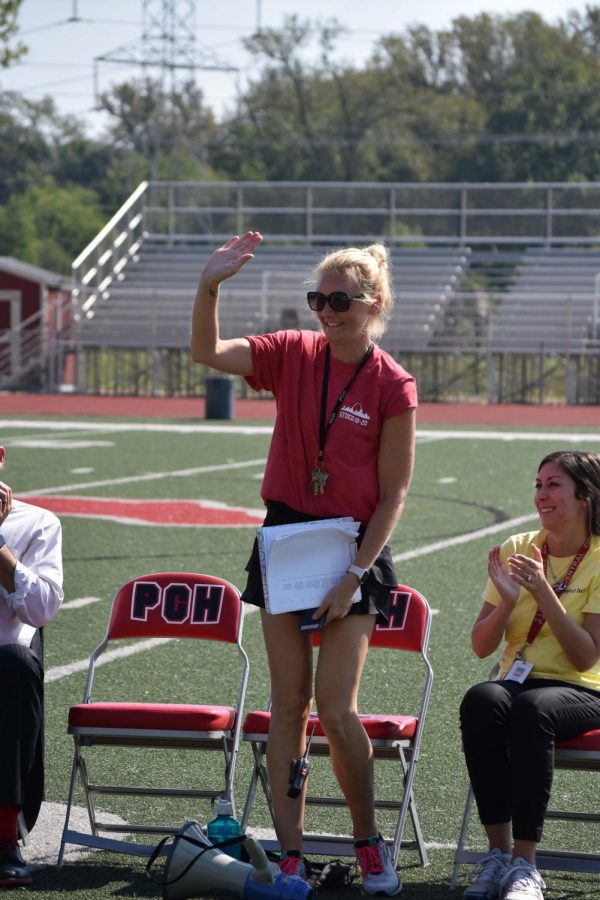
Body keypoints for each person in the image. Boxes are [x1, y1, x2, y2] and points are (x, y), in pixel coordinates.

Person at [191, 232, 417, 895]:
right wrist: (210, 286)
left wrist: (354, 576)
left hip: (354, 549)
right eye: (317, 299)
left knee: (336, 708)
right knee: (287, 706)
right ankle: (290, 854)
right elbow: (207, 351)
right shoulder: (293, 353)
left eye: (339, 300)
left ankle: (368, 844)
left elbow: (395, 493)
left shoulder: (392, 383)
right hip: (287, 537)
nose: (325, 311)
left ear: (371, 303)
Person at [460, 450, 600, 900]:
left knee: (531, 709)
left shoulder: (599, 557)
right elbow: (481, 645)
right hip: (517, 681)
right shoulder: (517, 548)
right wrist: (505, 602)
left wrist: (543, 592)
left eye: (554, 485)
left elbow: (586, 658)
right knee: (481, 700)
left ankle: (525, 864)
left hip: (581, 689)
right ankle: (497, 856)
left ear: (586, 496)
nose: (542, 494)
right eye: (538, 485)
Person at [0, 445, 63, 887]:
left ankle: (4, 837)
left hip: (5, 659)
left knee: (15, 663)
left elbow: (40, 610)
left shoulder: (38, 523)